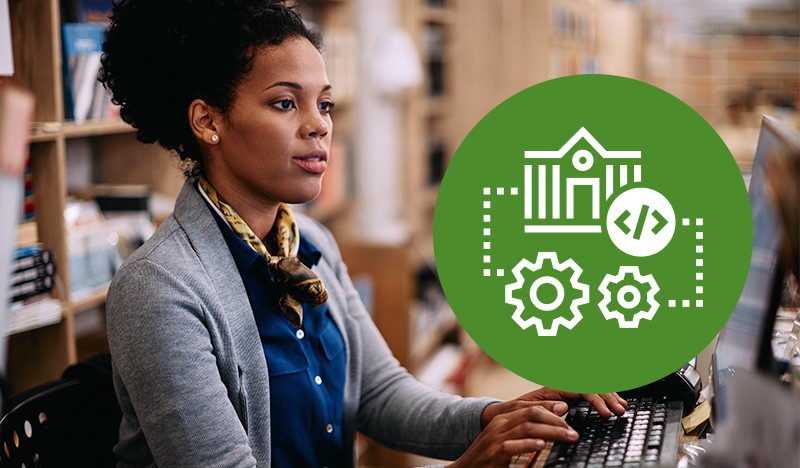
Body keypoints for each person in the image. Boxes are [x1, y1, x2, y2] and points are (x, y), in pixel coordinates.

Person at [100, 1, 627, 466]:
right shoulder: (159, 289)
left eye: (323, 104)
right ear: (207, 120)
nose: (320, 125)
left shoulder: (313, 246)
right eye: (286, 103)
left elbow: (380, 396)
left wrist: (504, 415)